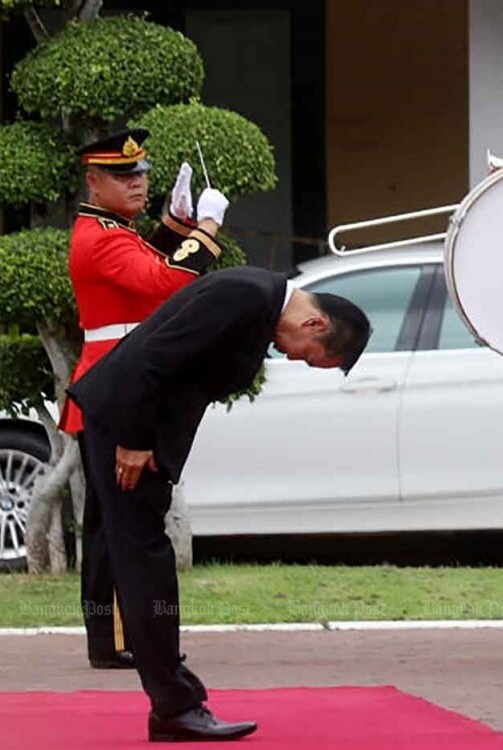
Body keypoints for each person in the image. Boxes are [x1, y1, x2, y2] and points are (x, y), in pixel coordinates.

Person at [68, 267, 370, 741]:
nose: (295, 360)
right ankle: (173, 707)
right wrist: (135, 439)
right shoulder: (246, 296)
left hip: (134, 432)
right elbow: (153, 358)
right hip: (129, 433)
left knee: (140, 557)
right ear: (316, 325)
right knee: (145, 562)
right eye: (310, 359)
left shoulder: (256, 302)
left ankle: (174, 702)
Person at [59, 128, 230, 671]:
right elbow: (166, 281)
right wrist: (206, 229)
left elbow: (143, 265)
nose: (137, 183)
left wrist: (175, 222)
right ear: (93, 180)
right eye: (122, 175)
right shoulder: (102, 236)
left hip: (112, 386)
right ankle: (116, 639)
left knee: (112, 524)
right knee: (120, 525)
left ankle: (114, 639)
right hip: (114, 392)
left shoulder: (113, 228)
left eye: (141, 173)